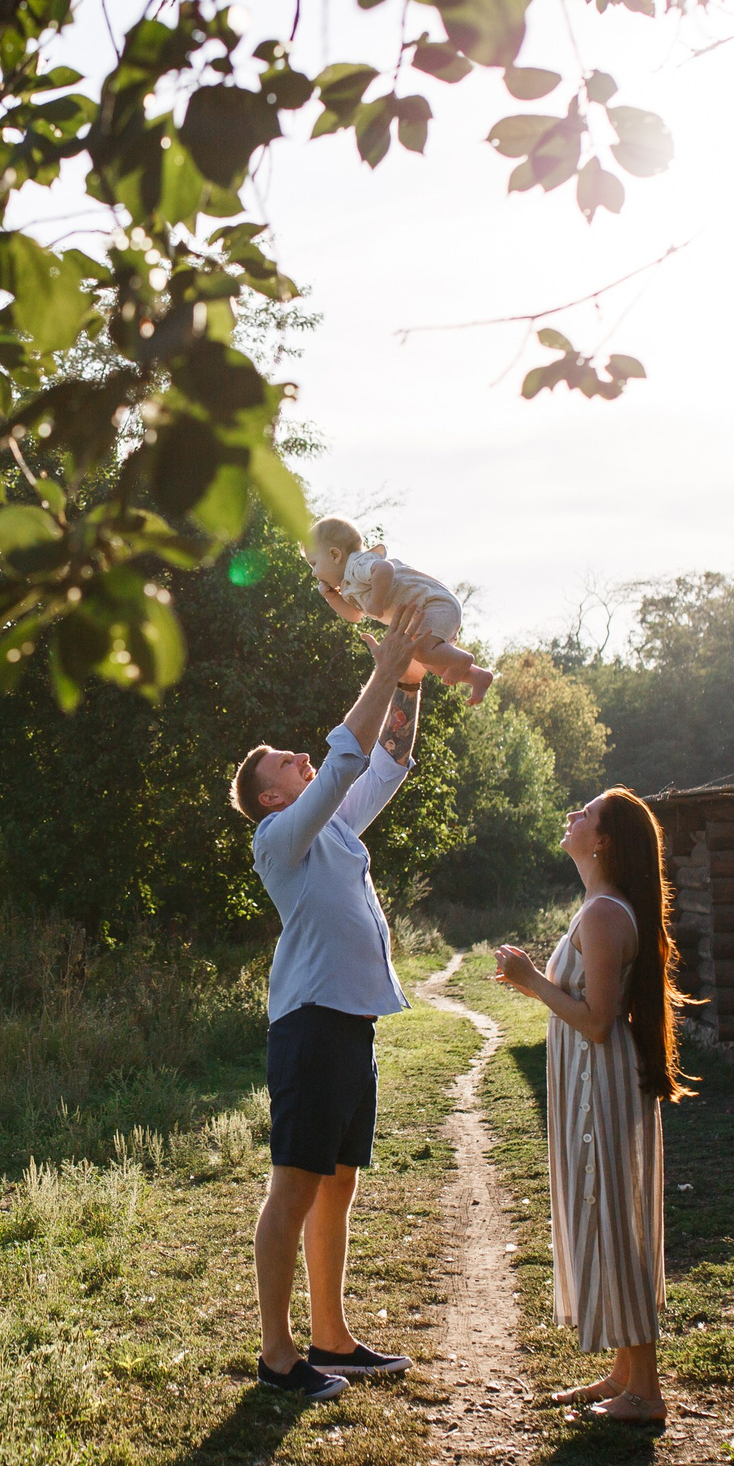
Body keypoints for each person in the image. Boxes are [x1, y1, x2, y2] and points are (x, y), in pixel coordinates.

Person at [229, 601, 433, 1402]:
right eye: (285, 760)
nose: (300, 756)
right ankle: (278, 1357)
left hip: (351, 1022)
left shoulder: (336, 829)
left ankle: (332, 1338)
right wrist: (381, 668)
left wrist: (409, 680)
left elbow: (389, 758)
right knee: (295, 1184)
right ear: (271, 797)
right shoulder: (278, 838)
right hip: (310, 1025)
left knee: (338, 1181)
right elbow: (348, 757)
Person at [492, 789, 693, 1425]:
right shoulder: (599, 907)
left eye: (585, 813)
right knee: (607, 1211)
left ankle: (646, 1393)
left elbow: (599, 1022)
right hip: (590, 1082)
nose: (571, 816)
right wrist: (535, 984)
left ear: (603, 841)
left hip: (599, 1083)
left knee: (615, 1216)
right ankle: (624, 1375)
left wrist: (531, 981)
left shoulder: (604, 914)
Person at [306, 515, 494, 705]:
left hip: (435, 603)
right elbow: (355, 616)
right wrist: (332, 597)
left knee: (422, 652)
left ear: (335, 555)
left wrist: (376, 602)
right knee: (429, 661)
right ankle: (477, 676)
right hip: (428, 611)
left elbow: (385, 568)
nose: (313, 573)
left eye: (314, 564)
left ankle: (463, 659)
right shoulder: (349, 586)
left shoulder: (357, 565)